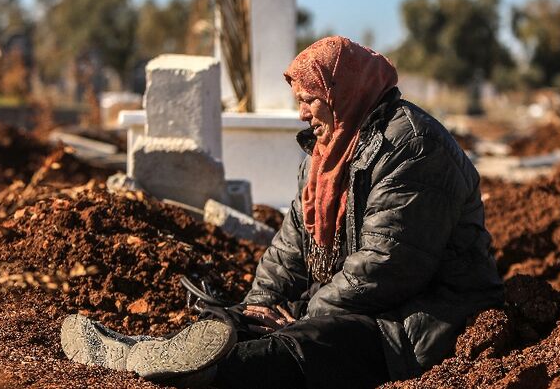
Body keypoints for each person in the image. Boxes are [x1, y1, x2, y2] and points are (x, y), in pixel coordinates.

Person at [60, 36, 503, 388]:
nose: (302, 114)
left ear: (342, 90)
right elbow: (290, 245)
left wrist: (304, 314)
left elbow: (387, 266)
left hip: (416, 317)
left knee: (305, 344)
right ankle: (142, 352)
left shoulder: (413, 147)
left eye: (310, 98)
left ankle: (185, 372)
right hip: (349, 300)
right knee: (237, 321)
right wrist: (260, 306)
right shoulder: (328, 150)